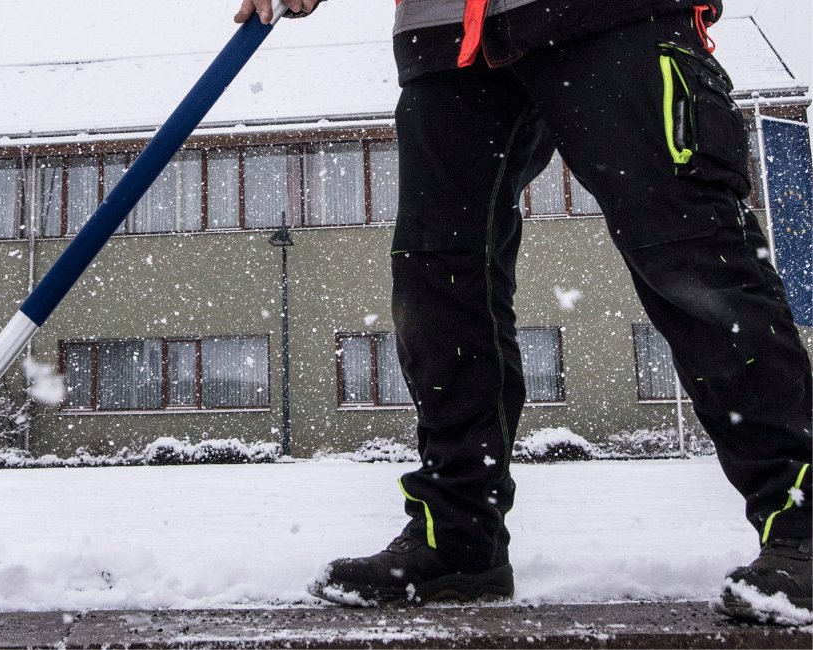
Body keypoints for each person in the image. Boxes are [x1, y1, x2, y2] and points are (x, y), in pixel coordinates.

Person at [236, 0, 811, 625]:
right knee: (439, 281)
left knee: (691, 256)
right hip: (449, 34)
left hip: (617, 17)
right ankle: (457, 540)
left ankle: (804, 521)